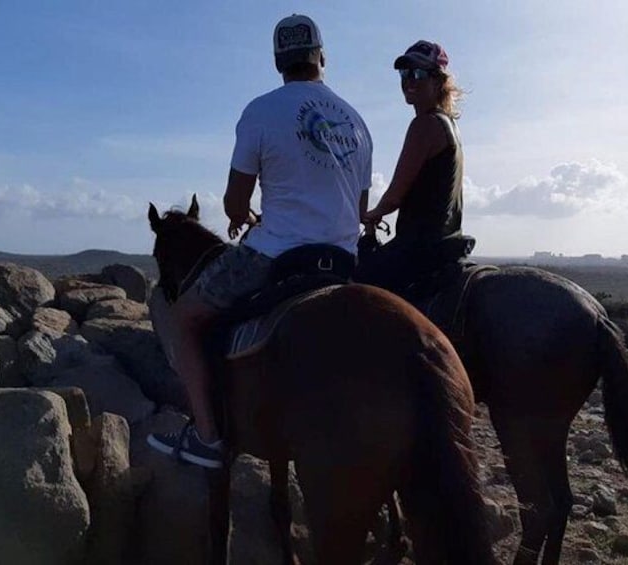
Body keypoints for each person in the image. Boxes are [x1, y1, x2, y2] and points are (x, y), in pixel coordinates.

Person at [147, 14, 373, 468]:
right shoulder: (356, 121)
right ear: (322, 58)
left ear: (278, 63)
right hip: (344, 261)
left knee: (183, 317)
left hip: (277, 255)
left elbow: (235, 202)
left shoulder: (261, 110)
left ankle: (207, 439)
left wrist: (243, 216)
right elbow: (360, 202)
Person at [355, 40, 467, 293]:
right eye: (404, 74)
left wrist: (371, 214)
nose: (409, 81)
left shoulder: (424, 126)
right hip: (445, 243)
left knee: (356, 287)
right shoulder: (449, 125)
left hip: (419, 248)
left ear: (438, 82)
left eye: (418, 73)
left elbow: (394, 197)